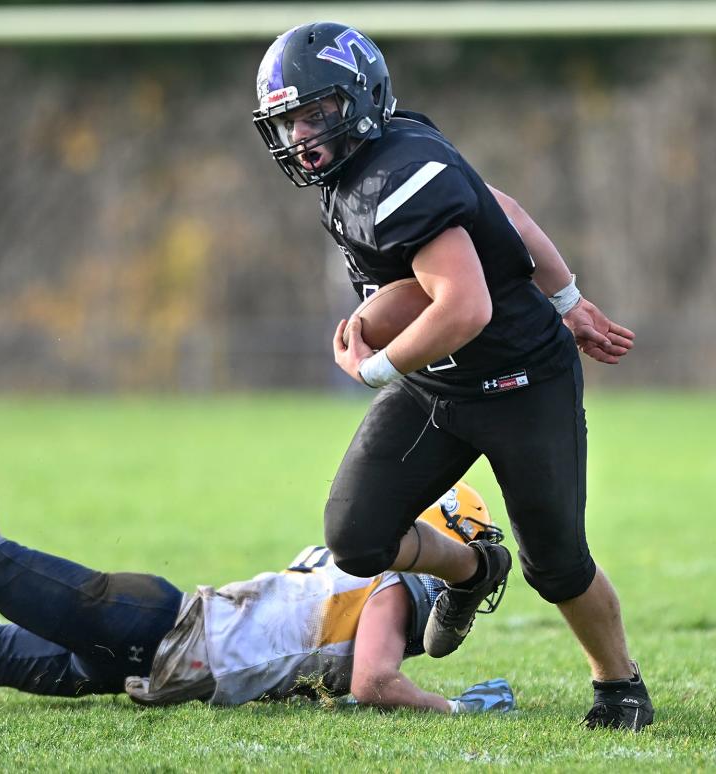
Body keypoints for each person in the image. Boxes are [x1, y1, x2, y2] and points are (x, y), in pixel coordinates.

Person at [0, 327, 515, 716]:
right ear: (442, 532)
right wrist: (454, 710)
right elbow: (377, 681)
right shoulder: (396, 582)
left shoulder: (362, 564)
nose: (471, 564)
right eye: (470, 543)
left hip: (150, 659)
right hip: (162, 631)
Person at [252, 22, 652, 731]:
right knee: (356, 536)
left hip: (521, 382)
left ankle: (618, 683)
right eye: (290, 121)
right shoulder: (382, 154)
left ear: (360, 99)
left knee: (557, 561)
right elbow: (505, 210)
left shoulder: (390, 175)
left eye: (316, 113)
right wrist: (568, 299)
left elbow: (465, 306)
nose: (303, 134)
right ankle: (472, 570)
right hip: (439, 385)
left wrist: (373, 366)